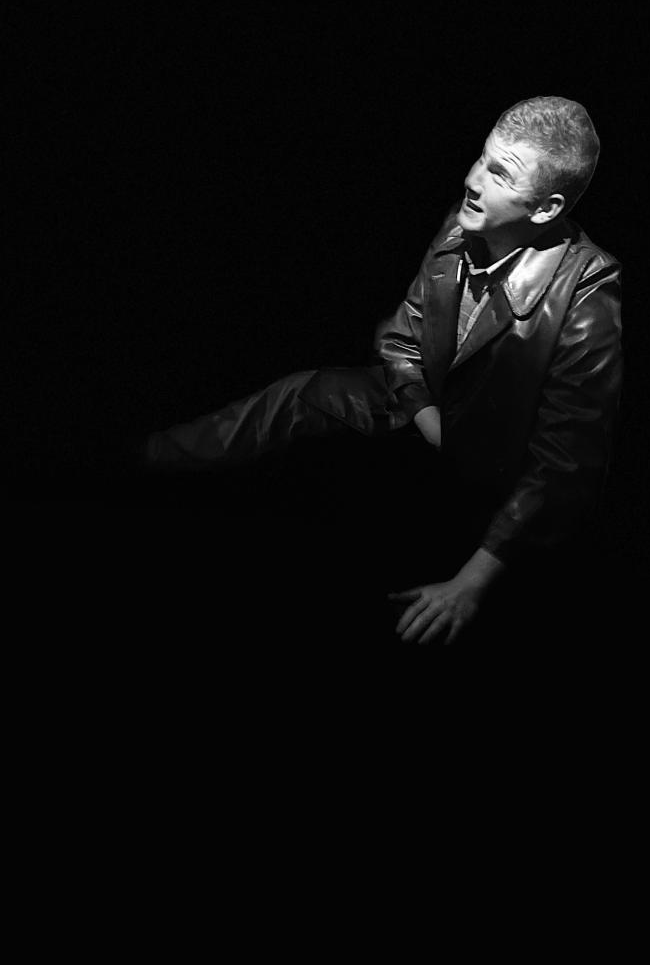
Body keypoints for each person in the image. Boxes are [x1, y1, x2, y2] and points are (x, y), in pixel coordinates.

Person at [145, 96, 622, 646]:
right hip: (424, 420)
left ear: (545, 208)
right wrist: (429, 422)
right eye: (482, 158)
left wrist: (470, 584)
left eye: (500, 174)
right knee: (302, 394)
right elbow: (402, 341)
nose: (473, 180)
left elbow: (564, 467)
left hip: (496, 483)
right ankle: (145, 460)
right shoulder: (465, 223)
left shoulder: (587, 294)